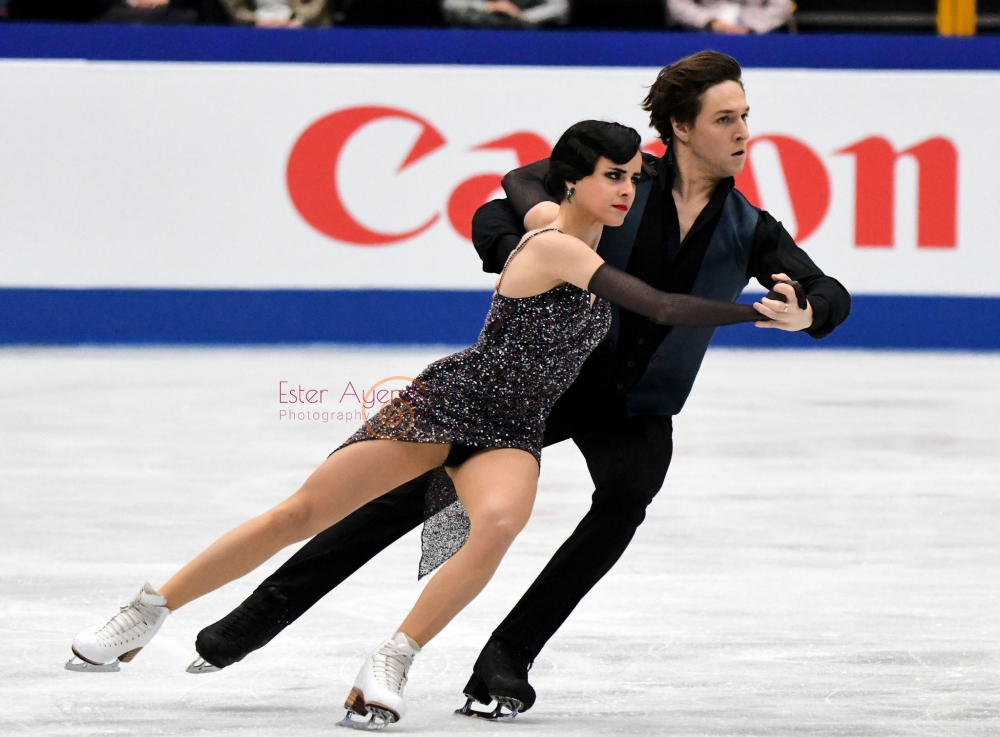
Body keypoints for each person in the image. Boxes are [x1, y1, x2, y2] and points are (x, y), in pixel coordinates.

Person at [160, 51, 851, 722]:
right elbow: (503, 204)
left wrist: (810, 309)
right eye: (727, 118)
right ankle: (258, 614)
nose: (743, 133)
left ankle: (506, 656)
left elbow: (827, 288)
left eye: (745, 116)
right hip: (547, 383)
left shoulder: (748, 225)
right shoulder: (619, 183)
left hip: (639, 401)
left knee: (626, 497)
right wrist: (531, 253)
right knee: (415, 491)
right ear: (680, 127)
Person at [667, 0, 793, 34]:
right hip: (703, 32)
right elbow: (677, 4)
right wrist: (708, 21)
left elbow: (783, 5)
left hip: (756, 34)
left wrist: (753, 26)